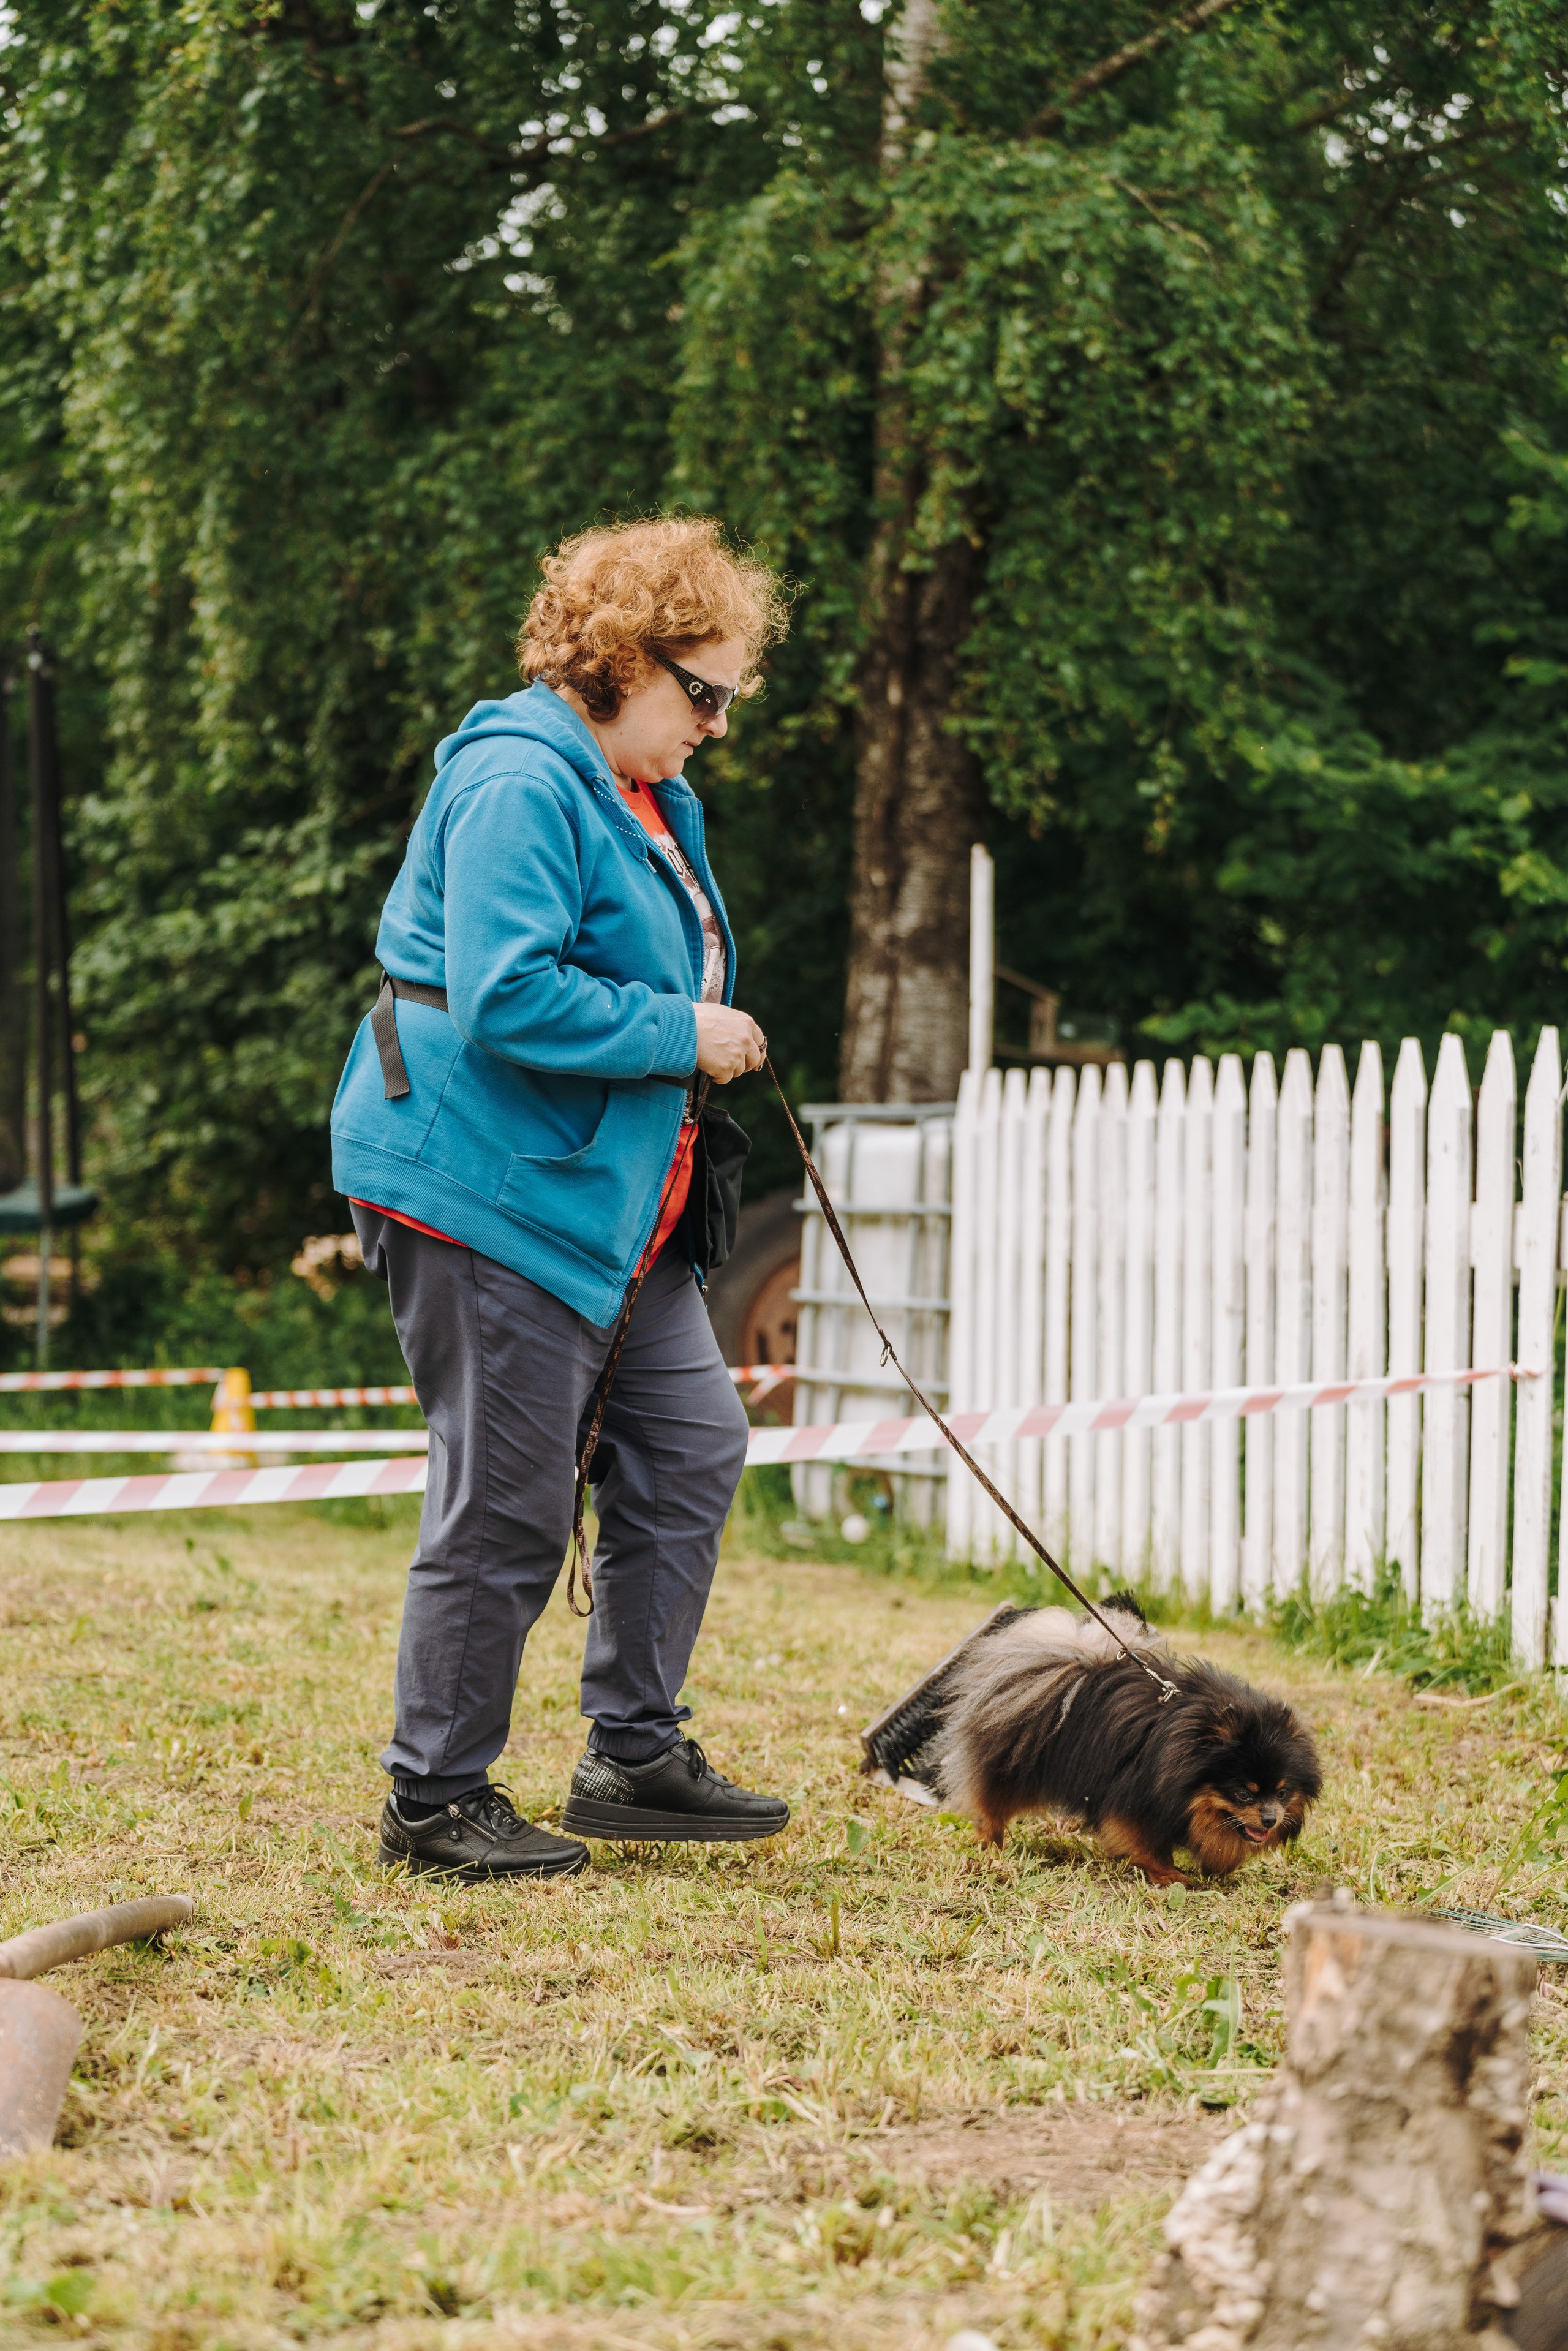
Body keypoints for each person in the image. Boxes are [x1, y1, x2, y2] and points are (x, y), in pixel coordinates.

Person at [330, 516, 791, 1881]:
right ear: (623, 658)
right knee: (508, 1504)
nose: (715, 725)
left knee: (693, 1442)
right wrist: (680, 1031)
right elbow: (507, 992)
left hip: (606, 1204)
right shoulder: (520, 778)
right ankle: (434, 1798)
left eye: (728, 699)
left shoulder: (640, 788)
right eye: (702, 693)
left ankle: (632, 1754)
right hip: (485, 1185)